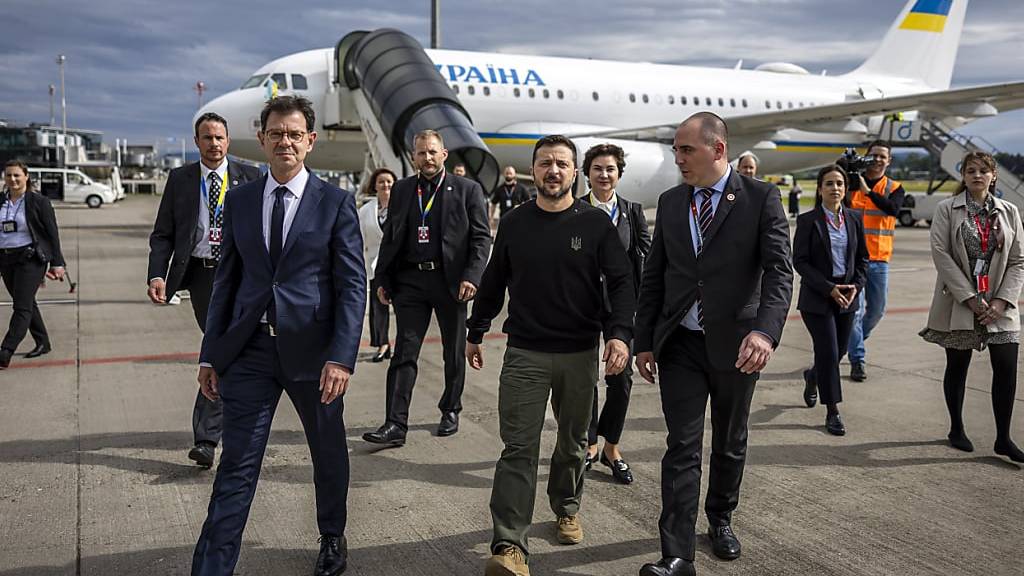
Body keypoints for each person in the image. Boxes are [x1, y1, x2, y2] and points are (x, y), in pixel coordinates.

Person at [191, 95, 366, 576]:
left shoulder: (335, 203)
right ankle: (212, 567)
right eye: (276, 133)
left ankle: (332, 536)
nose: (285, 141)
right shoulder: (241, 199)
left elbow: (353, 286)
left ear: (310, 141)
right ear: (263, 139)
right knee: (237, 466)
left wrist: (343, 357)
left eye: (294, 134)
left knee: (327, 453)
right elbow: (227, 280)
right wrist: (211, 354)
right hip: (250, 351)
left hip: (316, 358)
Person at [466, 135, 633, 576]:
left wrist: (619, 335)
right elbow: (494, 277)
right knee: (518, 447)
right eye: (544, 163)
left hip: (579, 353)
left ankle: (566, 505)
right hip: (525, 353)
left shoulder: (596, 224)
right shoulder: (516, 223)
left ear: (574, 172)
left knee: (574, 443)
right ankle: (509, 545)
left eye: (561, 163)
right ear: (532, 170)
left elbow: (620, 282)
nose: (553, 171)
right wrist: (475, 329)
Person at [634, 113, 792, 576]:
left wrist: (765, 331)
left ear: (717, 150)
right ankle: (677, 554)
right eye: (676, 150)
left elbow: (780, 272)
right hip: (680, 343)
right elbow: (655, 276)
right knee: (681, 445)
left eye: (687, 150)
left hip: (739, 345)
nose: (677, 158)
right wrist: (645, 340)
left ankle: (720, 516)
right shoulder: (668, 203)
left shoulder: (760, 198)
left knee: (729, 440)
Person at [147, 112, 261, 468]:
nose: (214, 144)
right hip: (201, 276)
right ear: (197, 142)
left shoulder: (250, 176)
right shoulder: (181, 179)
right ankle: (216, 433)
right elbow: (163, 232)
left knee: (226, 348)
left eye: (219, 138)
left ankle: (208, 438)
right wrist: (157, 274)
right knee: (224, 345)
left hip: (241, 273)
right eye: (207, 138)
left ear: (229, 141)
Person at [363, 129, 491, 446]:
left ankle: (450, 409)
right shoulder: (404, 190)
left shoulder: (467, 190)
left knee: (453, 352)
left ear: (444, 154)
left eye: (433, 152)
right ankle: (395, 423)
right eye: (421, 153)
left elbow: (480, 238)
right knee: (404, 352)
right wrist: (384, 280)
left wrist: (472, 276)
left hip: (450, 283)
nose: (427, 158)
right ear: (413, 157)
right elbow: (391, 238)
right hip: (410, 283)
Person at [919, 151, 1024, 463]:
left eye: (983, 170)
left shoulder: (1009, 212)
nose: (977, 175)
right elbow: (941, 254)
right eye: (970, 171)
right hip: (961, 303)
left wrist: (1000, 301)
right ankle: (956, 428)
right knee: (958, 366)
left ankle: (1003, 438)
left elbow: (1019, 260)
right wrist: (970, 298)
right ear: (962, 176)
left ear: (993, 175)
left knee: (1006, 368)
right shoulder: (946, 209)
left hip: (999, 306)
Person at [580, 143, 650, 484]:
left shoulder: (633, 212)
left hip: (622, 308)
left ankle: (612, 446)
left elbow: (647, 262)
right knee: (584, 378)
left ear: (619, 174)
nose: (604, 175)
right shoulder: (575, 209)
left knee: (620, 379)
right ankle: (590, 443)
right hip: (582, 306)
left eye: (610, 169)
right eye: (597, 169)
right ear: (587, 173)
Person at [792, 165, 868, 436]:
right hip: (817, 298)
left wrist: (855, 287)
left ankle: (813, 377)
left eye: (839, 183)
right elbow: (799, 261)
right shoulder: (808, 220)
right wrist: (828, 288)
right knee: (828, 352)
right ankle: (832, 411)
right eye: (829, 183)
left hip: (847, 297)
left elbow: (862, 259)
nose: (835, 188)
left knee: (840, 352)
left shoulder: (854, 218)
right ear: (820, 189)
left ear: (845, 189)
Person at [845, 140, 905, 381]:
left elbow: (893, 210)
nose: (878, 160)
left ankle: (854, 341)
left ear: (889, 161)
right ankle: (857, 359)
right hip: (854, 259)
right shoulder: (851, 183)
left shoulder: (894, 187)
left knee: (877, 310)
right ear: (867, 157)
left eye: (883, 156)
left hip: (879, 259)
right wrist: (850, 169)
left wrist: (869, 193)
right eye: (874, 155)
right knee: (855, 313)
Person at [0, 160, 66, 369]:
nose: (13, 179)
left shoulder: (39, 202)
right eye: (9, 175)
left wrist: (57, 263)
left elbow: (52, 234)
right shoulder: (1, 201)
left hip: (31, 259)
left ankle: (5, 351)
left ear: (26, 176)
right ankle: (43, 341)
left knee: (21, 306)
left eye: (17, 175)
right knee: (26, 302)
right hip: (6, 259)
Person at [358, 167, 397, 363]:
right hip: (375, 266)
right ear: (375, 185)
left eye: (389, 181)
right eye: (381, 182)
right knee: (377, 307)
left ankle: (404, 343)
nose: (385, 185)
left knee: (403, 307)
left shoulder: (402, 207)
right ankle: (383, 344)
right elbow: (359, 240)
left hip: (399, 267)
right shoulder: (365, 211)